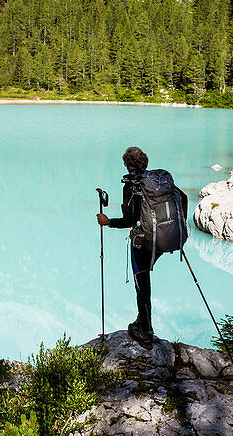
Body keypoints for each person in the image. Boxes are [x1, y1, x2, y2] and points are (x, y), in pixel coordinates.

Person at [96, 146, 155, 348]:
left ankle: (146, 333)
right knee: (145, 282)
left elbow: (129, 220)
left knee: (142, 286)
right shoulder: (154, 181)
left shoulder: (131, 185)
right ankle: (142, 320)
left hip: (141, 242)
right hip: (159, 240)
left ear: (127, 165)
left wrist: (108, 221)